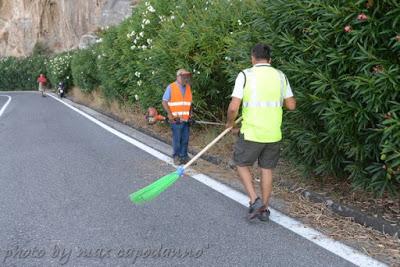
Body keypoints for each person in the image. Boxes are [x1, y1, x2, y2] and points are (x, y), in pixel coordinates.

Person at [226, 44, 296, 222]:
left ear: (252, 58)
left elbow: (234, 107)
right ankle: (264, 208)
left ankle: (254, 200)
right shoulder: (280, 76)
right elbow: (291, 105)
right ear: (270, 59)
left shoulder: (245, 75)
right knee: (267, 169)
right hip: (273, 133)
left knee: (240, 163)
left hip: (252, 132)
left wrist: (230, 124)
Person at [162, 69, 193, 165]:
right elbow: (164, 101)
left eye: (187, 77)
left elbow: (189, 103)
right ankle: (176, 157)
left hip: (186, 119)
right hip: (176, 120)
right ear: (178, 77)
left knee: (185, 139)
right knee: (177, 139)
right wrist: (170, 115)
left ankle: (184, 156)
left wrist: (191, 114)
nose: (186, 79)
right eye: (183, 77)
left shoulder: (188, 87)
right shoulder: (171, 87)